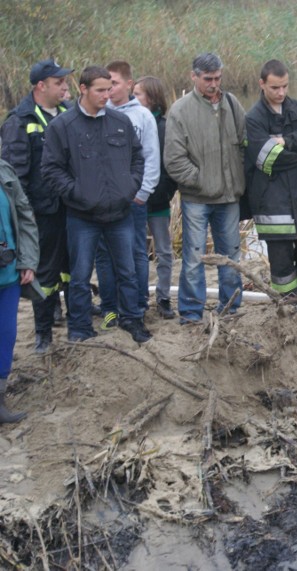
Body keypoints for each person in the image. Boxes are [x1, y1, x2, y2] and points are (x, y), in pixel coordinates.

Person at [41, 66, 150, 343]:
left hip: (120, 213)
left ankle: (132, 320)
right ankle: (79, 328)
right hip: (82, 216)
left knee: (127, 270)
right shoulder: (62, 127)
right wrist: (77, 193)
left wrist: (130, 186)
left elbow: (138, 157)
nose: (107, 94)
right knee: (79, 275)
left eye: (109, 89)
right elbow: (51, 170)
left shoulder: (120, 122)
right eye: (100, 90)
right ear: (83, 89)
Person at [164, 52, 245, 324]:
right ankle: (190, 313)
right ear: (194, 77)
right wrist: (202, 181)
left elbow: (245, 145)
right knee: (193, 259)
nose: (214, 84)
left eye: (218, 78)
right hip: (196, 199)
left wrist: (235, 181)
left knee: (231, 257)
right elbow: (174, 161)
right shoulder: (180, 111)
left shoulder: (232, 104)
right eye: (208, 79)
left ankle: (231, 308)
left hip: (229, 198)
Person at [0, 59, 73, 353]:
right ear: (41, 86)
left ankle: (71, 317)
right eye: (59, 83)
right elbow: (15, 179)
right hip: (42, 213)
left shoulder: (69, 113)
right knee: (45, 272)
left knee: (72, 269)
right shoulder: (19, 121)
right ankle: (43, 334)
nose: (65, 87)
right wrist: (27, 218)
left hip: (71, 206)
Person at [245, 60, 297, 300]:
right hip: (274, 207)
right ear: (262, 84)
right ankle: (288, 310)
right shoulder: (253, 119)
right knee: (282, 268)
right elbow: (270, 159)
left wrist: (286, 142)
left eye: (285, 87)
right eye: (275, 88)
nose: (281, 93)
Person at [95, 61, 160, 330]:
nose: (110, 89)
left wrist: (142, 192)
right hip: (102, 201)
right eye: (106, 84)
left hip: (132, 201)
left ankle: (138, 303)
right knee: (104, 255)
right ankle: (109, 307)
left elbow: (151, 158)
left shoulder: (142, 116)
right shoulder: (97, 113)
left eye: (115, 83)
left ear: (129, 85)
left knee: (135, 253)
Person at [134, 76, 178, 318]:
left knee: (164, 251)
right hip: (133, 202)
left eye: (138, 94)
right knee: (137, 251)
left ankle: (163, 297)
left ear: (151, 97)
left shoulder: (164, 127)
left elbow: (171, 166)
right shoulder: (130, 122)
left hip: (158, 202)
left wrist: (163, 193)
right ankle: (139, 297)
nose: (133, 98)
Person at [0, 159, 39, 423]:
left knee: (6, 335)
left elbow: (25, 216)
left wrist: (27, 260)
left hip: (9, 273)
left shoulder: (5, 171)